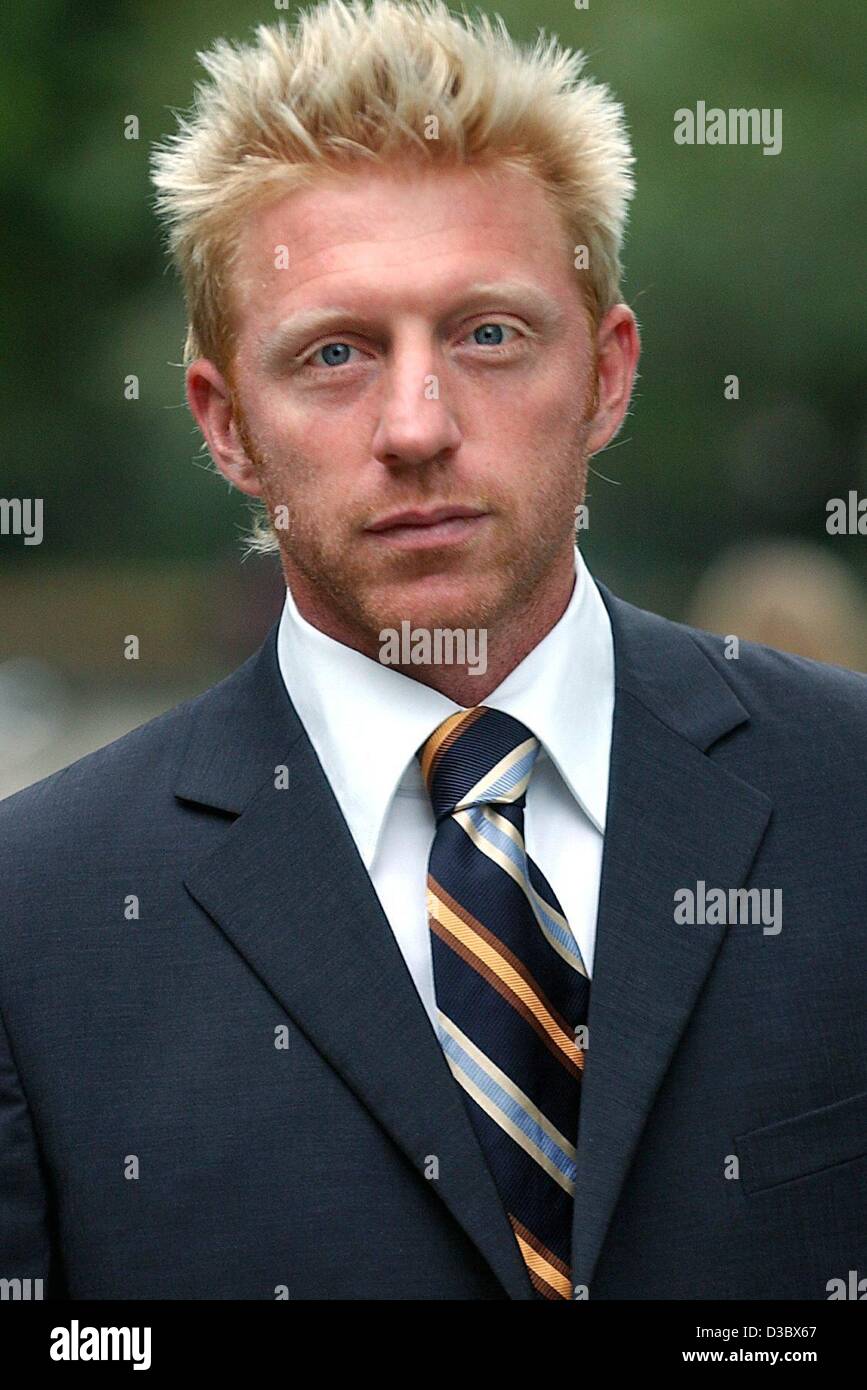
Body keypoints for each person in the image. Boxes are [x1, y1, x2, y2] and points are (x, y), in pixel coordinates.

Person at [1, 0, 865, 1302]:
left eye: (489, 335)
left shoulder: (847, 797)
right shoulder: (35, 925)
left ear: (609, 373)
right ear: (226, 423)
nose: (417, 424)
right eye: (336, 352)